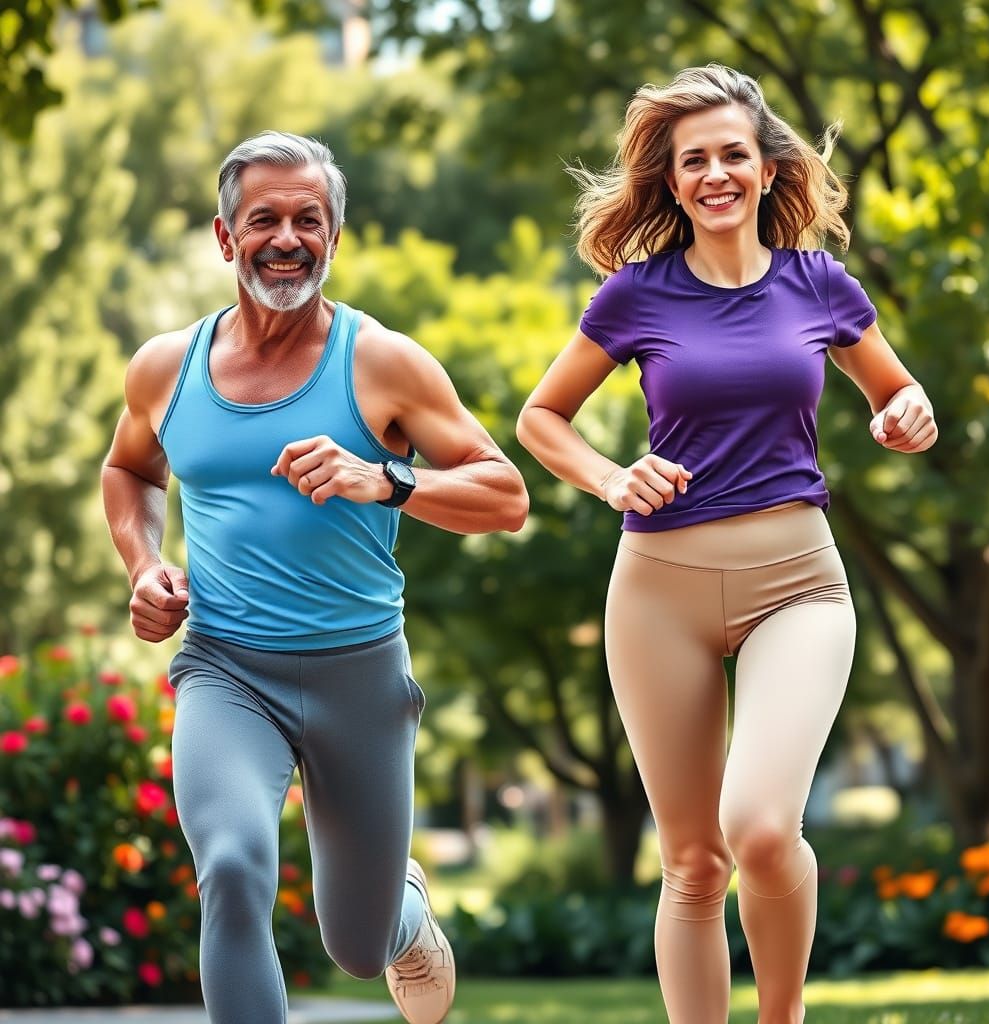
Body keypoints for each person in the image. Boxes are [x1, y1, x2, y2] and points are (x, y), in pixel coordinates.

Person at [516, 65, 936, 1024]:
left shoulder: (817, 283)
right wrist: (612, 477)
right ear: (669, 181)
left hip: (798, 584)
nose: (714, 174)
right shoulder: (635, 297)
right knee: (693, 863)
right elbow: (542, 418)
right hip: (658, 587)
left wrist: (908, 414)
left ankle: (781, 1017)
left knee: (756, 828)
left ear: (763, 166)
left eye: (731, 155)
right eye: (692, 160)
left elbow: (900, 395)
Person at [101, 130, 528, 1024]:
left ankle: (404, 917)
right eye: (264, 220)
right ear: (226, 238)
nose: (287, 238)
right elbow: (131, 471)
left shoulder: (382, 363)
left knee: (356, 945)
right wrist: (146, 565)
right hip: (226, 669)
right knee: (232, 867)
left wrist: (387, 479)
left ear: (334, 236)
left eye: (310, 219)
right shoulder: (164, 368)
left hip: (359, 675)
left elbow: (505, 495)